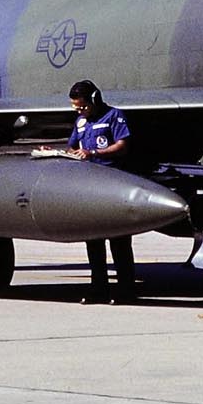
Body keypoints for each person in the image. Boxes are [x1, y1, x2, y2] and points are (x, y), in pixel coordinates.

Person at [65, 80, 136, 303]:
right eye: (76, 107)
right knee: (94, 240)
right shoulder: (81, 122)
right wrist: (62, 152)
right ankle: (98, 289)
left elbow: (122, 146)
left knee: (119, 240)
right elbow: (73, 146)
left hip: (113, 183)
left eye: (82, 106)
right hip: (90, 186)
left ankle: (126, 290)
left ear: (94, 99)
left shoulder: (114, 116)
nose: (79, 111)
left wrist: (94, 152)